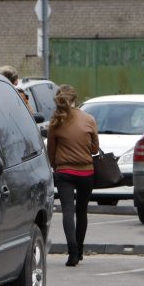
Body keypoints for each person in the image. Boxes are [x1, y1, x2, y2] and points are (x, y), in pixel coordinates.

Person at [46, 84, 99, 267]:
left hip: (64, 172)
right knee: (81, 211)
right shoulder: (89, 119)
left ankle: (73, 253)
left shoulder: (55, 122)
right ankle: (81, 249)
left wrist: (56, 167)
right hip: (86, 172)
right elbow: (94, 148)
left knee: (67, 210)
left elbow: (51, 151)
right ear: (75, 99)